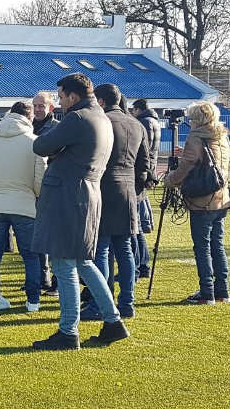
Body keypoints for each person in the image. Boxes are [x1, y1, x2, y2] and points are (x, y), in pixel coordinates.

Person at [31, 73, 129, 350]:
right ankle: (112, 321)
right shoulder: (101, 118)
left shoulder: (77, 118)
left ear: (73, 96)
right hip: (87, 193)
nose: (59, 103)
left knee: (63, 264)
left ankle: (68, 330)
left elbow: (40, 145)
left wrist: (57, 145)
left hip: (67, 195)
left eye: (60, 97)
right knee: (84, 262)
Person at [80, 84, 150, 321]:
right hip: (128, 190)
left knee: (101, 249)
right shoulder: (137, 124)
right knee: (125, 250)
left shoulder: (102, 121)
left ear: (100, 101)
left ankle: (102, 303)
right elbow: (145, 164)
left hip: (104, 188)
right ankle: (127, 303)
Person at [0, 101, 47, 312]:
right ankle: (33, 300)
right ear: (29, 117)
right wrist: (34, 194)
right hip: (24, 203)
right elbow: (40, 176)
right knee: (30, 255)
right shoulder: (34, 141)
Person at [164, 102, 230, 304]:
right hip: (221, 198)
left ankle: (207, 292)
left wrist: (170, 179)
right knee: (217, 245)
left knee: (202, 247)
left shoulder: (196, 137)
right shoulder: (221, 135)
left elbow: (186, 166)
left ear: (197, 119)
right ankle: (222, 290)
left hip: (202, 199)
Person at [32, 91, 60, 294]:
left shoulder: (58, 128)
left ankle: (57, 280)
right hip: (30, 188)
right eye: (35, 105)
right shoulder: (27, 127)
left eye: (41, 105)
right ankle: (41, 279)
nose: (37, 109)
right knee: (35, 236)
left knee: (53, 237)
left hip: (51, 188)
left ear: (51, 107)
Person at [131, 98, 160, 278]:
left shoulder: (144, 123)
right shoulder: (155, 121)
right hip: (148, 172)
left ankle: (141, 265)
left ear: (139, 109)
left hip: (141, 175)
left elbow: (143, 151)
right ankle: (142, 265)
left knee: (137, 225)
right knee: (139, 224)